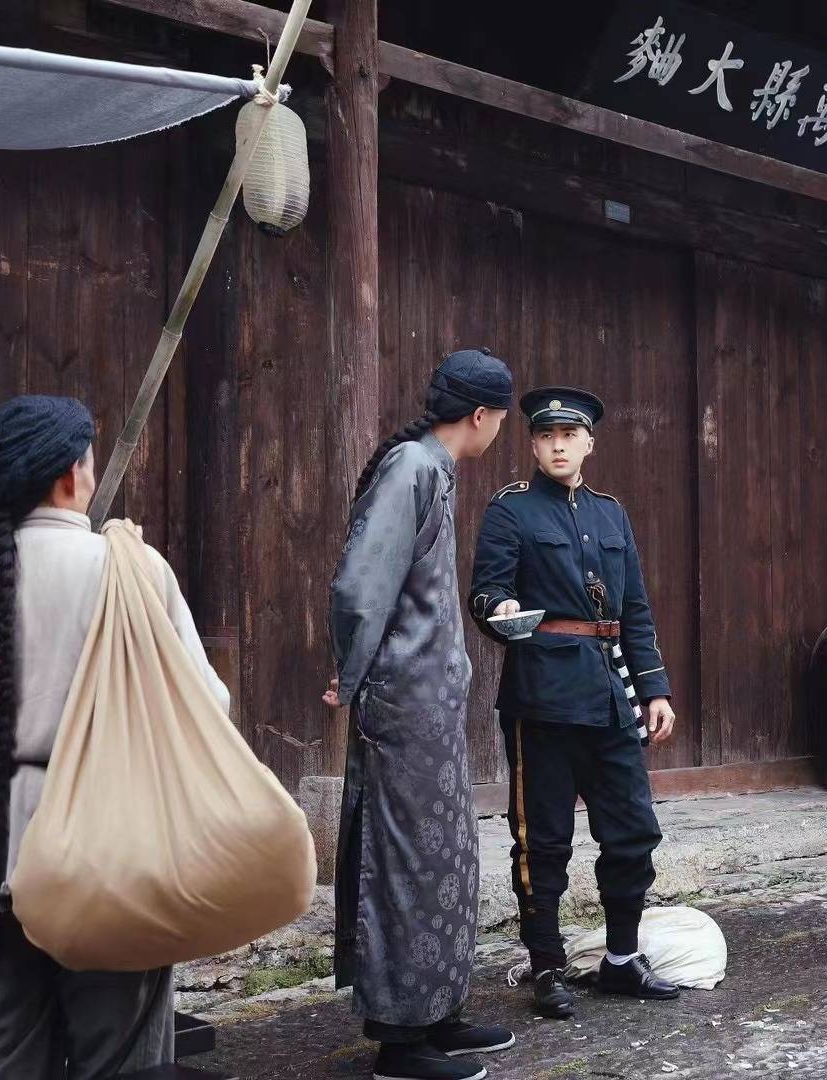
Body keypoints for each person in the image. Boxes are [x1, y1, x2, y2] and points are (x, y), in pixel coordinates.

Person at [0, 396, 225, 1077]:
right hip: (113, 863)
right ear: (73, 475)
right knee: (123, 1064)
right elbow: (205, 707)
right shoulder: (133, 570)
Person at [328, 350, 518, 1080]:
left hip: (430, 703)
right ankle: (400, 1043)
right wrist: (350, 671)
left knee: (445, 856)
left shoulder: (434, 470)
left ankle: (437, 1012)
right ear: (481, 416)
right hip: (402, 701)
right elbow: (359, 586)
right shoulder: (411, 468)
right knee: (403, 860)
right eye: (502, 417)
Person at [467, 386, 681, 1020]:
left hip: (612, 695)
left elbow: (634, 609)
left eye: (569, 436)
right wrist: (499, 609)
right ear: (533, 444)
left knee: (633, 831)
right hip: (544, 699)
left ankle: (620, 960)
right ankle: (547, 968)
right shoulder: (511, 510)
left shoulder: (612, 514)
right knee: (543, 841)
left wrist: (655, 689)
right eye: (545, 437)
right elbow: (487, 591)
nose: (558, 445)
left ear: (589, 442)